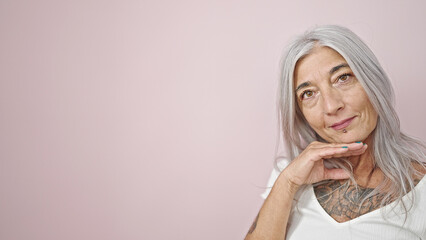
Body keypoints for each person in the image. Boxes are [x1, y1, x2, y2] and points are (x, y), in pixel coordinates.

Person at [245, 25, 426, 240]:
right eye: (308, 93)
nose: (331, 106)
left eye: (343, 78)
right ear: (300, 112)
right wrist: (289, 181)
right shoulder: (289, 174)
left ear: (372, 81)